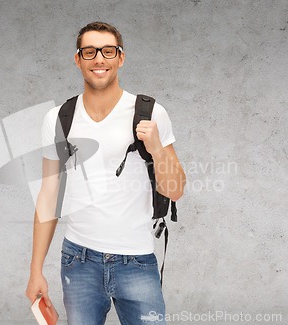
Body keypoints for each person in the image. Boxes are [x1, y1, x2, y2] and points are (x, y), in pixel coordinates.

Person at [26, 21, 186, 325]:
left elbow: (175, 190)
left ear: (120, 57)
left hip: (136, 261)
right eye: (90, 52)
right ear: (78, 59)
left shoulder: (151, 113)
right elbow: (49, 197)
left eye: (108, 51)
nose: (99, 59)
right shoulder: (59, 118)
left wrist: (157, 148)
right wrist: (35, 271)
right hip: (79, 261)